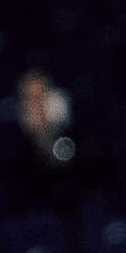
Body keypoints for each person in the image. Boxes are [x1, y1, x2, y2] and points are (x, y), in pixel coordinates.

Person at [11, 68, 84, 204]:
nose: (36, 99)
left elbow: (69, 136)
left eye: (40, 92)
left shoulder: (61, 106)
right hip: (43, 179)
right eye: (30, 95)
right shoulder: (23, 117)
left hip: (74, 166)